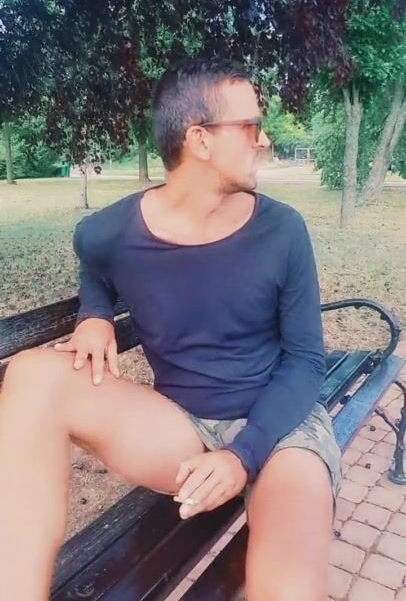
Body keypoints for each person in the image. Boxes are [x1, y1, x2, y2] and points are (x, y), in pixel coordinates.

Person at [0, 58, 341, 601]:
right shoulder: (113, 230)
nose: (263, 139)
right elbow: (92, 258)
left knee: (289, 589)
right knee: (32, 374)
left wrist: (242, 456)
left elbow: (306, 362)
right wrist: (94, 313)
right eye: (251, 126)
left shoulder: (282, 230)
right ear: (200, 140)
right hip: (182, 429)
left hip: (282, 433)